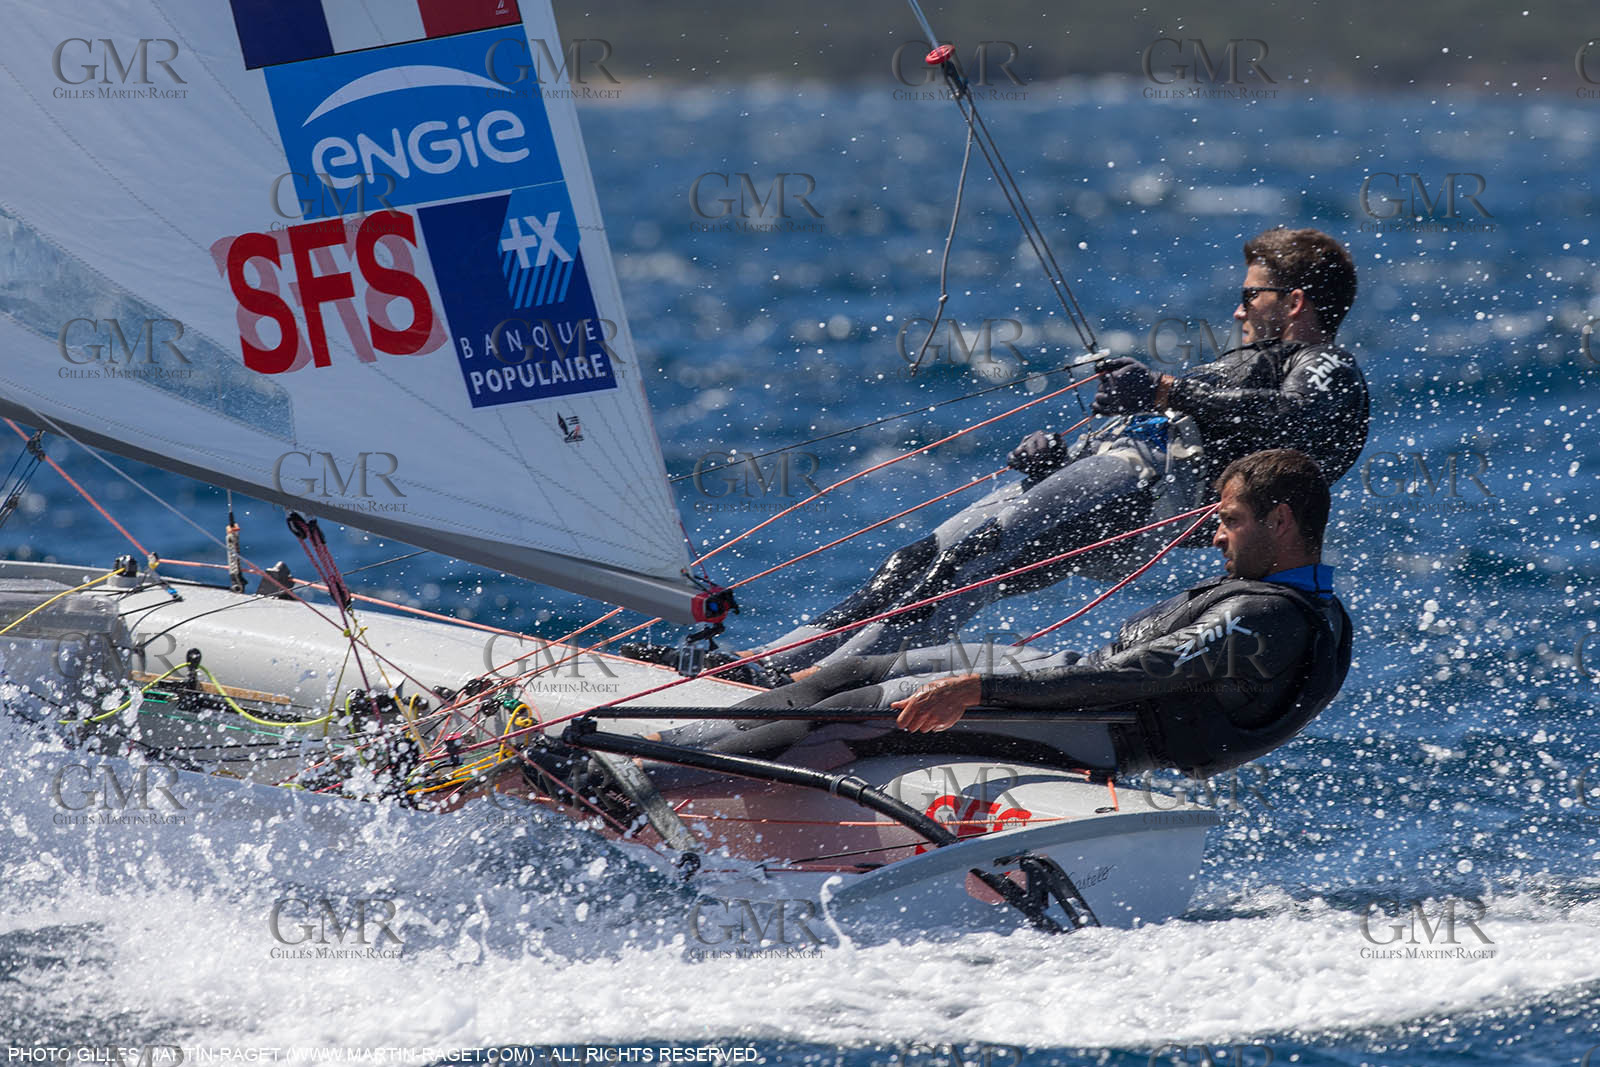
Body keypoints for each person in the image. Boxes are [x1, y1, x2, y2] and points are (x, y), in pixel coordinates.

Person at [744, 226, 1368, 675]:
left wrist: (1163, 386)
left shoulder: (1327, 367)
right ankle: (777, 659)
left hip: (1148, 493)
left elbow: (1298, 422)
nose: (1237, 308)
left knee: (970, 561)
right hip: (1117, 473)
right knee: (924, 559)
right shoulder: (1245, 361)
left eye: (1251, 294)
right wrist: (1058, 461)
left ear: (1293, 302)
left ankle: (813, 687)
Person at [652, 449, 1352, 780]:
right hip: (1069, 683)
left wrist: (980, 688)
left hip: (1097, 729)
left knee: (857, 706)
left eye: (1229, 520)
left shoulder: (1270, 619)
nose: (1216, 534)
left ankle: (642, 781)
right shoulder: (1286, 603)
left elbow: (1134, 677)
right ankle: (671, 741)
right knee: (854, 667)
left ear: (1282, 520)